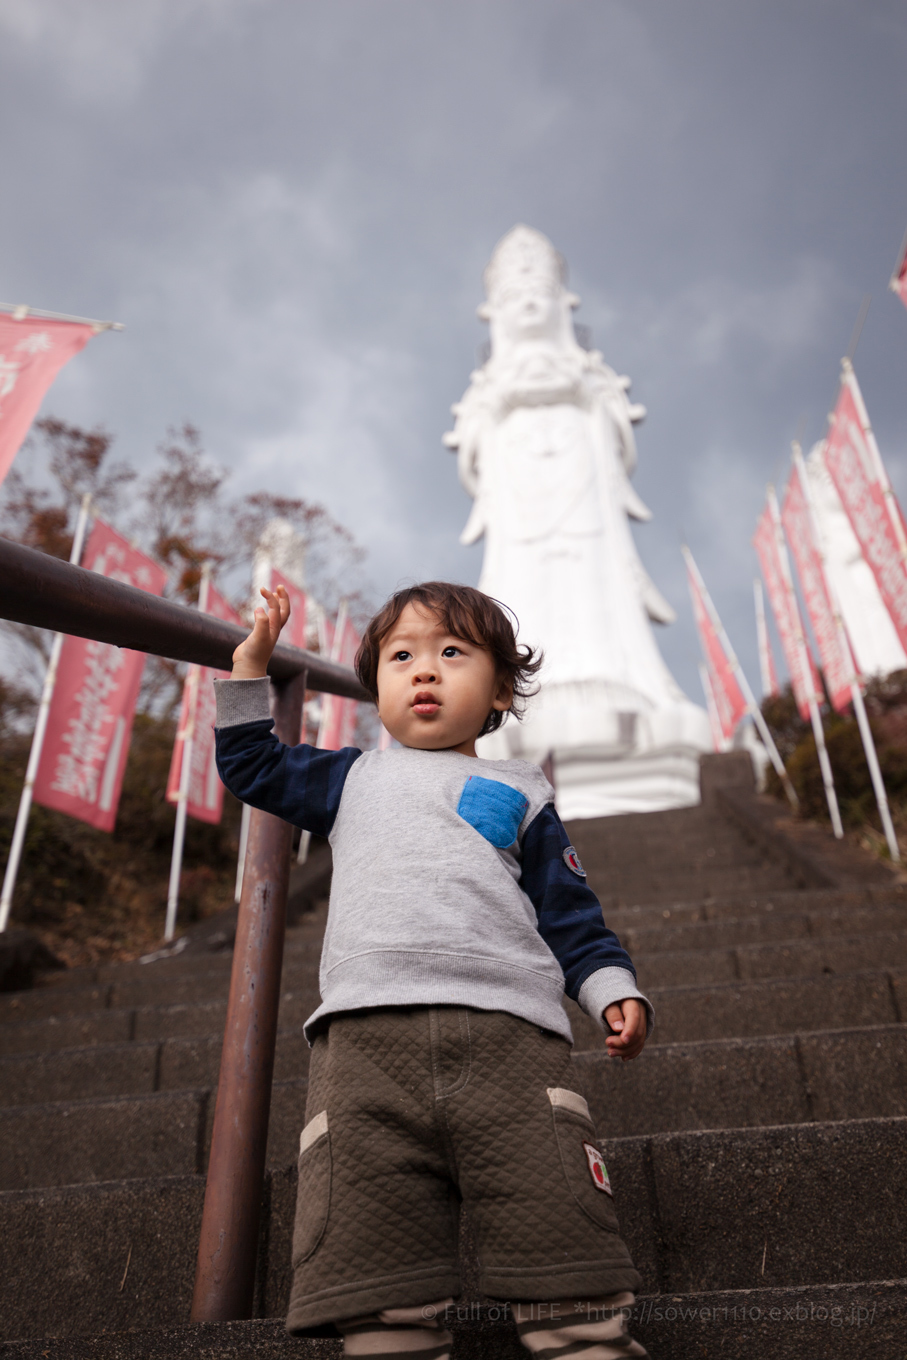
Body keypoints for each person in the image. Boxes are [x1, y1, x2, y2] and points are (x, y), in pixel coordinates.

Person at [214, 580, 653, 1360]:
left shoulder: (521, 792)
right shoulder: (348, 777)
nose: (424, 671)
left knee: (560, 1239)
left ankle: (584, 1339)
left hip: (511, 1045)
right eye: (401, 657)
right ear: (375, 685)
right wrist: (252, 665)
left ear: (499, 691)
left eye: (452, 653)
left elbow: (568, 914)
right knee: (373, 1271)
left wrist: (609, 989)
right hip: (361, 1053)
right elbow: (251, 764)